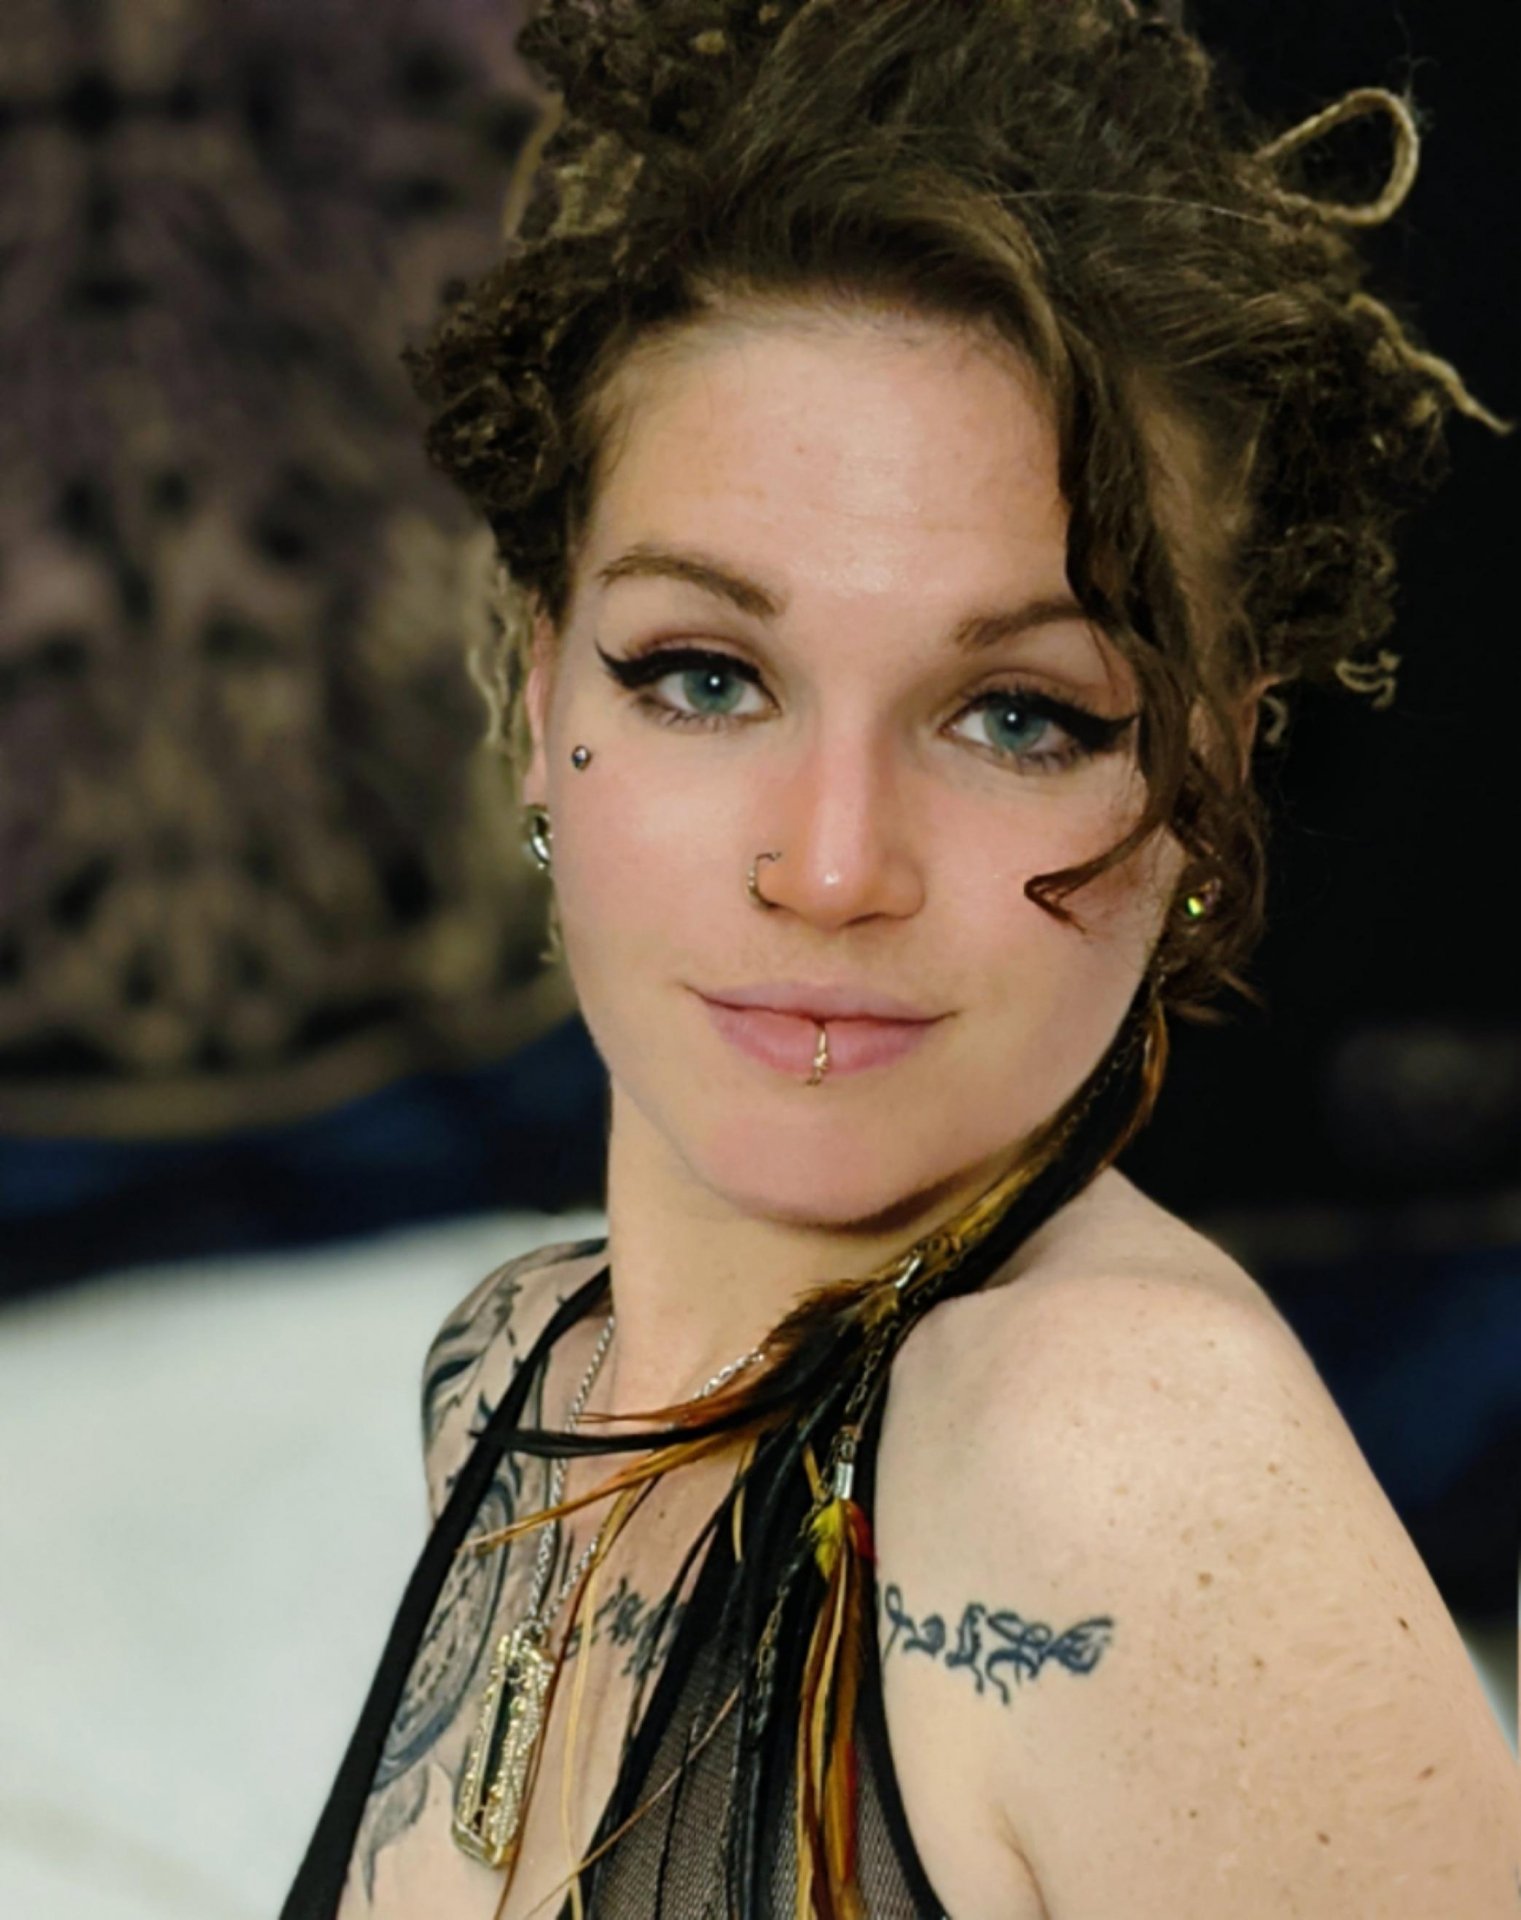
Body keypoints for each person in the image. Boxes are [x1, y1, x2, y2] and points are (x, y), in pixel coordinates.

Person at [282, 3, 1518, 1916]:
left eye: (1019, 715)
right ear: (538, 699)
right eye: (706, 677)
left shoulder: (1114, 1455)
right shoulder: (517, 1365)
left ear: (1201, 781)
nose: (833, 866)